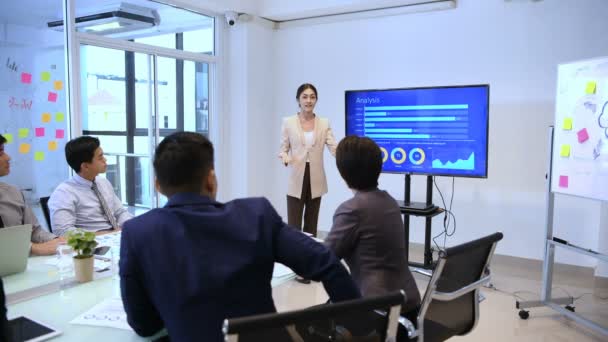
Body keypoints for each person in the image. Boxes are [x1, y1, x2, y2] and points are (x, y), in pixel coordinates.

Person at [119, 132, 360, 342]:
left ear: (158, 186)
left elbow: (144, 324)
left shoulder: (138, 233)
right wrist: (354, 328)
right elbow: (327, 264)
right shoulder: (255, 215)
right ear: (211, 179)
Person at [325, 136, 421, 322]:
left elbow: (324, 258)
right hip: (409, 308)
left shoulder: (352, 209)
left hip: (377, 314)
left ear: (343, 172)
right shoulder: (390, 202)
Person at [278, 83, 338, 238]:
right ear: (298, 99)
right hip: (296, 177)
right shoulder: (288, 122)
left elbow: (334, 148)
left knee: (311, 224)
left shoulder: (324, 123)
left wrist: (349, 154)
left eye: (312, 97)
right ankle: (293, 258)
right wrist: (286, 158)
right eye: (304, 97)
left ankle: (309, 258)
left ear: (316, 100)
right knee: (294, 226)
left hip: (316, 178)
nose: (308, 100)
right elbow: (283, 149)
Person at [48, 136, 132, 236]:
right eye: (100, 157)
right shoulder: (64, 193)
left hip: (116, 237)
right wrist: (106, 234)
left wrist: (132, 226)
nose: (105, 160)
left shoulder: (103, 183)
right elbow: (63, 231)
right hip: (91, 245)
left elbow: (120, 212)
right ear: (85, 166)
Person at [0, 134, 62, 255]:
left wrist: (57, 241)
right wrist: (32, 248)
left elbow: (35, 232)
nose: (8, 157)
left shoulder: (13, 193)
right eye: (0, 153)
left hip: (20, 266)